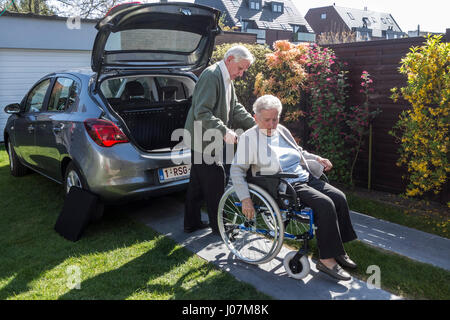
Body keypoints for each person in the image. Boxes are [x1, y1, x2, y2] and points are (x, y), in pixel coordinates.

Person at [230, 95, 358, 281]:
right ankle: (326, 260)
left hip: (303, 175)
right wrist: (245, 199)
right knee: (325, 204)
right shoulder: (248, 139)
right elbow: (237, 170)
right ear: (255, 117)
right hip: (284, 184)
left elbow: (297, 152)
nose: (272, 124)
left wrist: (316, 158)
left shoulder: (281, 130)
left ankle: (337, 251)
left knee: (339, 197)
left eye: (276, 119)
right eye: (267, 120)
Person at [183, 45, 256, 234]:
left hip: (205, 138)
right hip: (202, 140)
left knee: (197, 184)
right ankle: (221, 227)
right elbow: (202, 111)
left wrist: (255, 125)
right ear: (230, 59)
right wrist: (224, 131)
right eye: (240, 68)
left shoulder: (226, 78)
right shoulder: (211, 75)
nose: (241, 74)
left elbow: (235, 107)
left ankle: (191, 223)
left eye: (244, 70)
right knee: (216, 180)